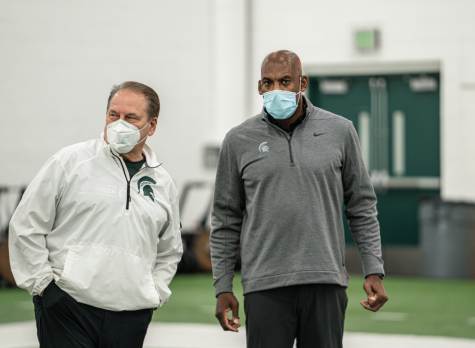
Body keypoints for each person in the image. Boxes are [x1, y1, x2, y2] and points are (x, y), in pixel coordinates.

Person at [210, 51, 388, 348]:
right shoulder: (237, 140)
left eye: (285, 81)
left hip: (325, 282)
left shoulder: (340, 131)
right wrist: (222, 286)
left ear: (302, 82)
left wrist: (373, 267)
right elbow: (225, 219)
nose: (276, 89)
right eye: (268, 82)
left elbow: (361, 205)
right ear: (259, 88)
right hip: (264, 286)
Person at [9, 81, 183, 348]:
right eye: (114, 115)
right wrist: (45, 286)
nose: (118, 124)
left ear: (152, 125)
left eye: (131, 117)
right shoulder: (70, 161)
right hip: (67, 307)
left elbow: (170, 249)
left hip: (131, 315)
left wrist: (154, 293)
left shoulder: (162, 183)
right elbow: (26, 224)